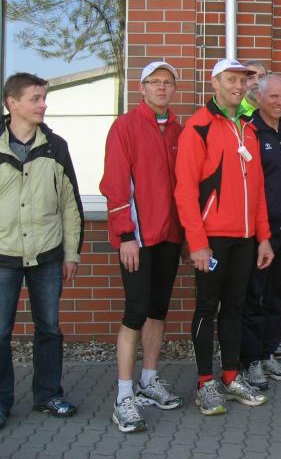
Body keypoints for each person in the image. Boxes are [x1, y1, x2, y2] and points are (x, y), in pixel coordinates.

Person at [174, 58, 274, 415]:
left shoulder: (248, 128)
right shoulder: (198, 127)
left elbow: (257, 188)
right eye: (230, 79)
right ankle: (205, 383)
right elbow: (185, 191)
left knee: (235, 308)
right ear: (214, 83)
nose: (237, 86)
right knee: (207, 307)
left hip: (245, 238)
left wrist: (263, 237)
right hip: (212, 239)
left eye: (242, 80)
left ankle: (231, 376)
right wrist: (197, 243)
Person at [100, 61, 184, 433]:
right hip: (137, 237)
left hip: (169, 236)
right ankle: (124, 395)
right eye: (155, 82)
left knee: (157, 310)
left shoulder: (179, 130)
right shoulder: (126, 126)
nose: (162, 88)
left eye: (168, 82)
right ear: (142, 87)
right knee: (135, 311)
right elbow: (116, 184)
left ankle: (149, 379)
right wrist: (125, 235)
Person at [0, 72, 83, 430]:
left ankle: (48, 394)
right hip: (3, 256)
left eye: (44, 97)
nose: (43, 105)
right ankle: (1, 402)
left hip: (47, 255)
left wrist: (71, 254)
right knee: (0, 332)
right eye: (35, 98)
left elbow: (70, 205)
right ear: (12, 103)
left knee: (49, 328)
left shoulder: (56, 146)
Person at [240, 74, 281, 390]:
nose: (279, 102)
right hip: (260, 232)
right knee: (254, 296)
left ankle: (267, 353)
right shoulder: (249, 131)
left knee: (280, 295)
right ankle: (250, 360)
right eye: (273, 96)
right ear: (259, 97)